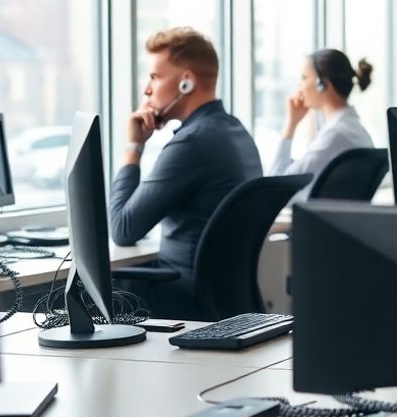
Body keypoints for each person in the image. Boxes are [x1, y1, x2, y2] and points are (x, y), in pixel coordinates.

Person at [110, 28, 262, 315]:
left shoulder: (192, 143)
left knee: (63, 298)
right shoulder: (235, 132)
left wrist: (133, 147)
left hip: (181, 305)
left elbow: (122, 229)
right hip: (227, 303)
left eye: (155, 77)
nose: (146, 90)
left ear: (186, 82)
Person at [270, 49, 375, 200]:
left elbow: (275, 189)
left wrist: (290, 125)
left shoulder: (334, 137)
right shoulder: (356, 131)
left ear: (323, 84)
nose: (300, 86)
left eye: (304, 78)